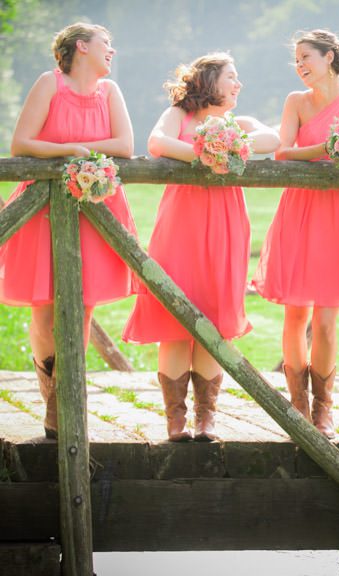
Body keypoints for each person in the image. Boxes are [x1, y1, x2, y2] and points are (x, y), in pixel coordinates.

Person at [123, 53, 278, 442]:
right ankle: (176, 420)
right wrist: (205, 153)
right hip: (181, 223)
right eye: (232, 76)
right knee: (175, 318)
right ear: (209, 80)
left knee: (212, 319)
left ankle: (206, 418)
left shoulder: (237, 123)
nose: (238, 84)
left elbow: (272, 139)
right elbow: (157, 143)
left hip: (226, 223)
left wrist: (229, 141)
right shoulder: (180, 115)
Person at [0, 22, 137, 440]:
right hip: (41, 208)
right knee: (44, 309)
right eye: (106, 43)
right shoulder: (50, 84)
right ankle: (51, 397)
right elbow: (22, 143)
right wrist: (72, 152)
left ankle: (66, 403)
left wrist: (87, 156)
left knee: (82, 304)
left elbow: (126, 145)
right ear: (82, 46)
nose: (112, 51)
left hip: (97, 205)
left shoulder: (110, 93)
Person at [253, 30, 339, 439]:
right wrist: (330, 146)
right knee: (295, 312)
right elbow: (283, 151)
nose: (301, 65)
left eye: (307, 57)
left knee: (326, 318)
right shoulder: (296, 102)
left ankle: (324, 409)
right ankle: (297, 406)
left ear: (330, 57)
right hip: (302, 209)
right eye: (297, 60)